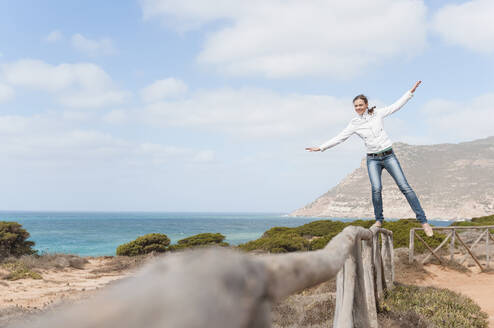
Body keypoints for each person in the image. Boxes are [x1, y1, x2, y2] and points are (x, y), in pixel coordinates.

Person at [306, 81, 433, 237]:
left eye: (360, 105)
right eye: (356, 106)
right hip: (372, 159)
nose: (358, 108)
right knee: (376, 189)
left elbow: (396, 106)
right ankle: (379, 219)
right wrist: (321, 147)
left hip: (388, 155)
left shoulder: (377, 113)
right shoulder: (354, 123)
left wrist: (410, 92)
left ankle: (424, 221)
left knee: (404, 187)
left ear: (366, 105)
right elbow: (340, 137)